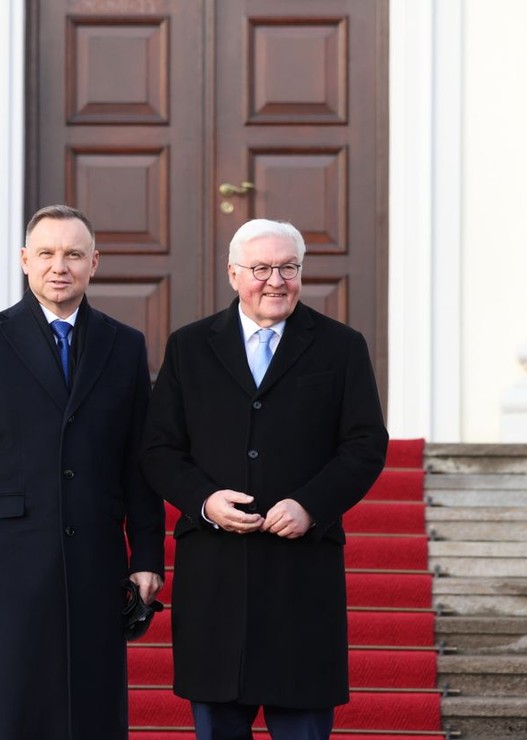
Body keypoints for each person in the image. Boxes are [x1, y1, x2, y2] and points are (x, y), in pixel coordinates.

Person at [141, 219, 389, 740]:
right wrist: (204, 501)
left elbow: (365, 444)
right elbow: (159, 448)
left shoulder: (341, 346)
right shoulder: (189, 346)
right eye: (261, 269)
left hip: (301, 577)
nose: (275, 281)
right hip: (214, 576)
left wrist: (312, 505)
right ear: (234, 274)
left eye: (288, 268)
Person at [0, 205, 165, 738]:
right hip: (9, 560)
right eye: (46, 253)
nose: (59, 265)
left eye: (73, 254)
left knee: (91, 707)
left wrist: (147, 554)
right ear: (24, 261)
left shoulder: (123, 345)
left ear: (94, 263)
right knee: (9, 706)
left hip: (96, 558)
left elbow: (138, 461)